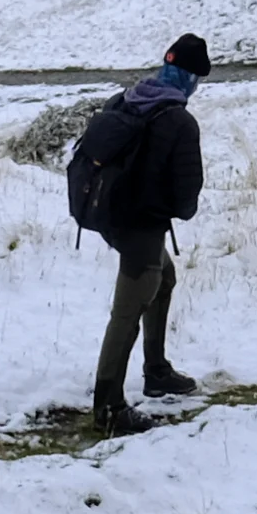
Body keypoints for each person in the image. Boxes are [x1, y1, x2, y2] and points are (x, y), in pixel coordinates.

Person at [70, 35, 212, 434]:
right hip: (140, 225)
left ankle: (156, 371)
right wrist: (172, 206)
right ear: (191, 78)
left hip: (110, 216)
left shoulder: (128, 98)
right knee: (128, 310)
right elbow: (186, 197)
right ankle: (109, 408)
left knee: (164, 278)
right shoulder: (180, 121)